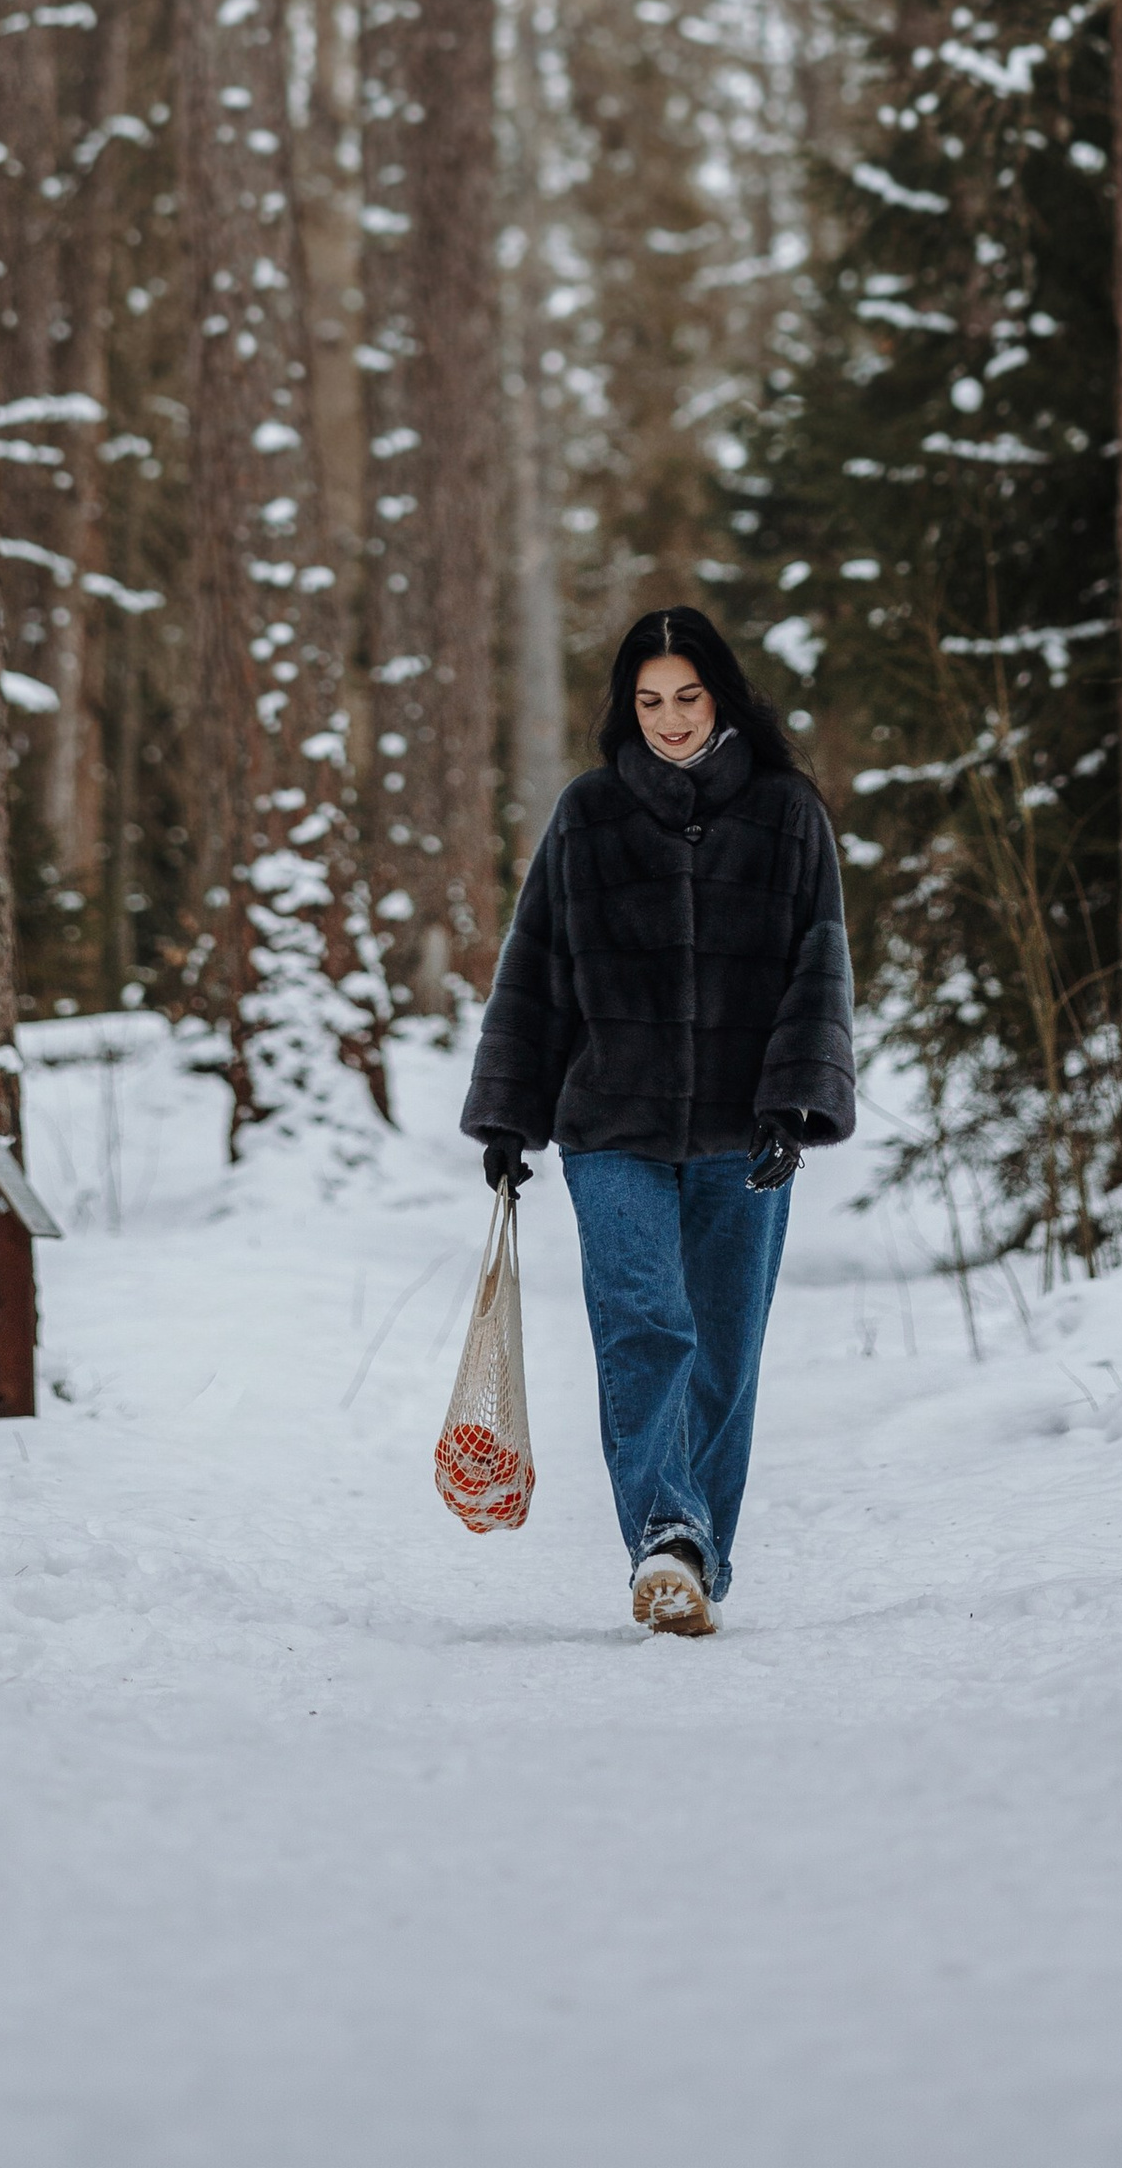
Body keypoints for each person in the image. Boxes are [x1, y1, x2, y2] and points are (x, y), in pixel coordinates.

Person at [462, 606, 856, 1637]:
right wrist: (509, 1112)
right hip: (611, 1121)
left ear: (720, 694)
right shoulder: (587, 814)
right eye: (648, 701)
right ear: (625, 707)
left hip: (741, 1126)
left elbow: (820, 970)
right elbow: (534, 970)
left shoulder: (786, 815)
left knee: (723, 1348)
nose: (670, 719)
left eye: (686, 697)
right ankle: (664, 1538)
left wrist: (795, 1104)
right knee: (644, 1323)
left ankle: (697, 1555)